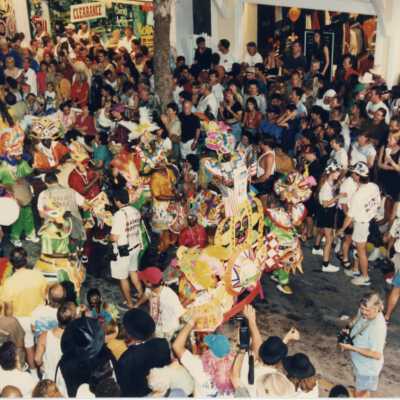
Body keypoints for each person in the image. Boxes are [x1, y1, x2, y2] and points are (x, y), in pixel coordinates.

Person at [0, 248, 47, 369]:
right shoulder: (38, 275)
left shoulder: (9, 283)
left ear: (11, 263)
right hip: (39, 317)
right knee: (38, 342)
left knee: (28, 344)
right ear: (26, 260)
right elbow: (45, 296)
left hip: (22, 321)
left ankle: (32, 370)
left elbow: (9, 311)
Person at [339, 162, 381, 286]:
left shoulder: (359, 195)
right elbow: (377, 203)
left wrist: (342, 229)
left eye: (354, 173)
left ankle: (365, 277)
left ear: (358, 176)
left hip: (361, 224)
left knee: (361, 251)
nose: (352, 174)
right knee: (359, 249)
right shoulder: (374, 186)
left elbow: (349, 217)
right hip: (370, 220)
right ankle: (356, 270)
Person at [339, 292, 387, 397]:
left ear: (377, 308)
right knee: (360, 388)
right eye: (362, 309)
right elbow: (356, 318)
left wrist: (352, 348)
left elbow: (377, 355)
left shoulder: (378, 328)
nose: (364, 312)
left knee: (359, 394)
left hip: (367, 369)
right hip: (359, 364)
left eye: (367, 310)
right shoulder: (364, 308)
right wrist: (347, 328)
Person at [116, 308, 171, 397]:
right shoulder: (163, 343)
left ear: (129, 334)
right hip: (160, 390)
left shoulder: (125, 360)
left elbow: (125, 389)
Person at [110, 189, 143, 309]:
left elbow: (114, 238)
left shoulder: (119, 215)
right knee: (133, 271)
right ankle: (140, 294)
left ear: (117, 201)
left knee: (123, 278)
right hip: (135, 246)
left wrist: (108, 237)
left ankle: (129, 303)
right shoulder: (135, 210)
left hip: (124, 251)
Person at [34, 302, 76, 393]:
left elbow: (37, 359)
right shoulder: (75, 338)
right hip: (69, 380)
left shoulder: (44, 336)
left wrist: (42, 366)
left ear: (57, 317)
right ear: (72, 320)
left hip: (50, 380)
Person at [134, 267, 185, 340]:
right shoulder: (151, 288)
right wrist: (136, 305)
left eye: (143, 279)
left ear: (149, 283)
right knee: (154, 334)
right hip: (155, 320)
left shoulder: (169, 297)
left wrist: (169, 329)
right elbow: (146, 294)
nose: (142, 280)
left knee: (161, 339)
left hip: (166, 327)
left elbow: (180, 313)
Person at [314, 161, 343, 273]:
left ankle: (316, 249)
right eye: (337, 172)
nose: (338, 174)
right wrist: (337, 197)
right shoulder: (326, 186)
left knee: (323, 234)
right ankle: (325, 265)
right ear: (330, 172)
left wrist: (337, 186)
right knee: (329, 239)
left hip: (326, 212)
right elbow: (325, 203)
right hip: (327, 212)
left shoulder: (329, 183)